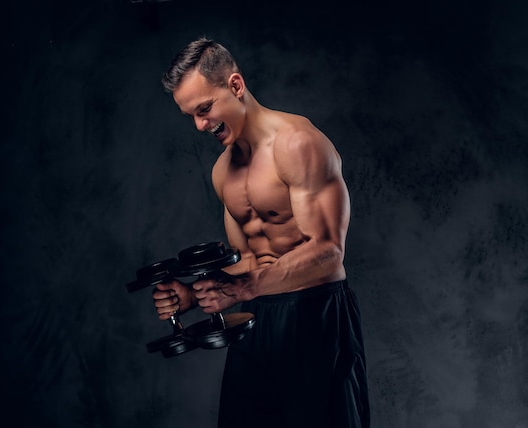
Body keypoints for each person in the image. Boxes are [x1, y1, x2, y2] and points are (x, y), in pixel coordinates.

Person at [152, 36, 370, 428]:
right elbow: (249, 261)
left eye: (204, 109)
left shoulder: (298, 143)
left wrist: (244, 288)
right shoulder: (223, 172)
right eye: (192, 117)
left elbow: (327, 252)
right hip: (258, 317)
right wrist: (193, 294)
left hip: (315, 313)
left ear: (235, 85)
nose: (201, 125)